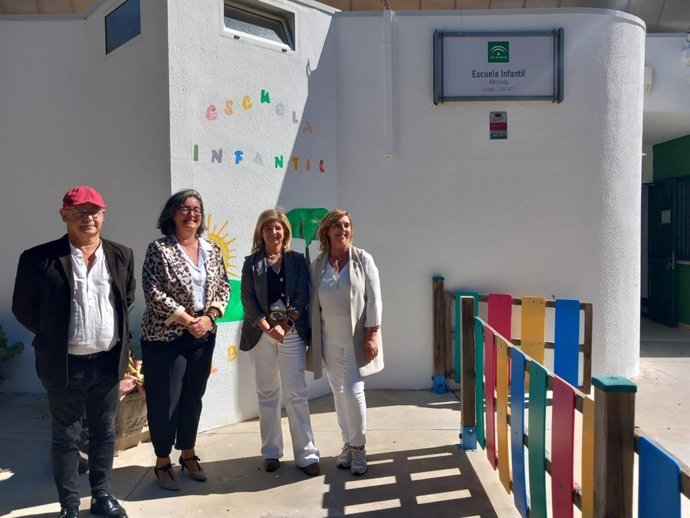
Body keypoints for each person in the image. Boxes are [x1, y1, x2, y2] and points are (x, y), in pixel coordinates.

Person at [12, 186, 134, 518]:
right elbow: (23, 308)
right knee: (66, 435)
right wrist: (54, 335)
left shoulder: (121, 255)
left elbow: (125, 302)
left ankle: (102, 496)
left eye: (94, 211)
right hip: (64, 364)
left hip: (108, 361)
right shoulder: (38, 259)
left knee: (104, 431)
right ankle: (69, 505)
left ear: (104, 215)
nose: (87, 218)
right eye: (79, 212)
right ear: (64, 215)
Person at [140, 189, 229, 490]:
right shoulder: (159, 249)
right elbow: (152, 292)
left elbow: (223, 288)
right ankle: (163, 460)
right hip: (166, 337)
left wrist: (208, 317)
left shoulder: (212, 249)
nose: (192, 214)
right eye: (185, 208)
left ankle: (188, 452)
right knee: (166, 400)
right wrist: (187, 319)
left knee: (193, 395)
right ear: (172, 214)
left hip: (203, 334)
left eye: (197, 209)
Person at [240, 208, 320, 476]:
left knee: (296, 393)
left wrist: (285, 325)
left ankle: (307, 454)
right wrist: (265, 326)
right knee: (267, 392)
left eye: (278, 228)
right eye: (267, 228)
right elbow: (248, 299)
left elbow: (303, 295)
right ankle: (271, 451)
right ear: (260, 232)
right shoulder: (251, 263)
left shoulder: (297, 261)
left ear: (284, 231)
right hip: (261, 335)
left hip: (291, 333)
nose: (273, 232)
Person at [309, 209, 383, 476]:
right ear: (327, 230)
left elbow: (375, 298)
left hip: (355, 340)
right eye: (337, 225)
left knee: (353, 391)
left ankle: (360, 447)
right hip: (329, 339)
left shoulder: (363, 259)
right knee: (338, 394)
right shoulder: (318, 263)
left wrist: (372, 333)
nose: (343, 230)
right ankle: (348, 444)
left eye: (347, 225)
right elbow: (312, 305)